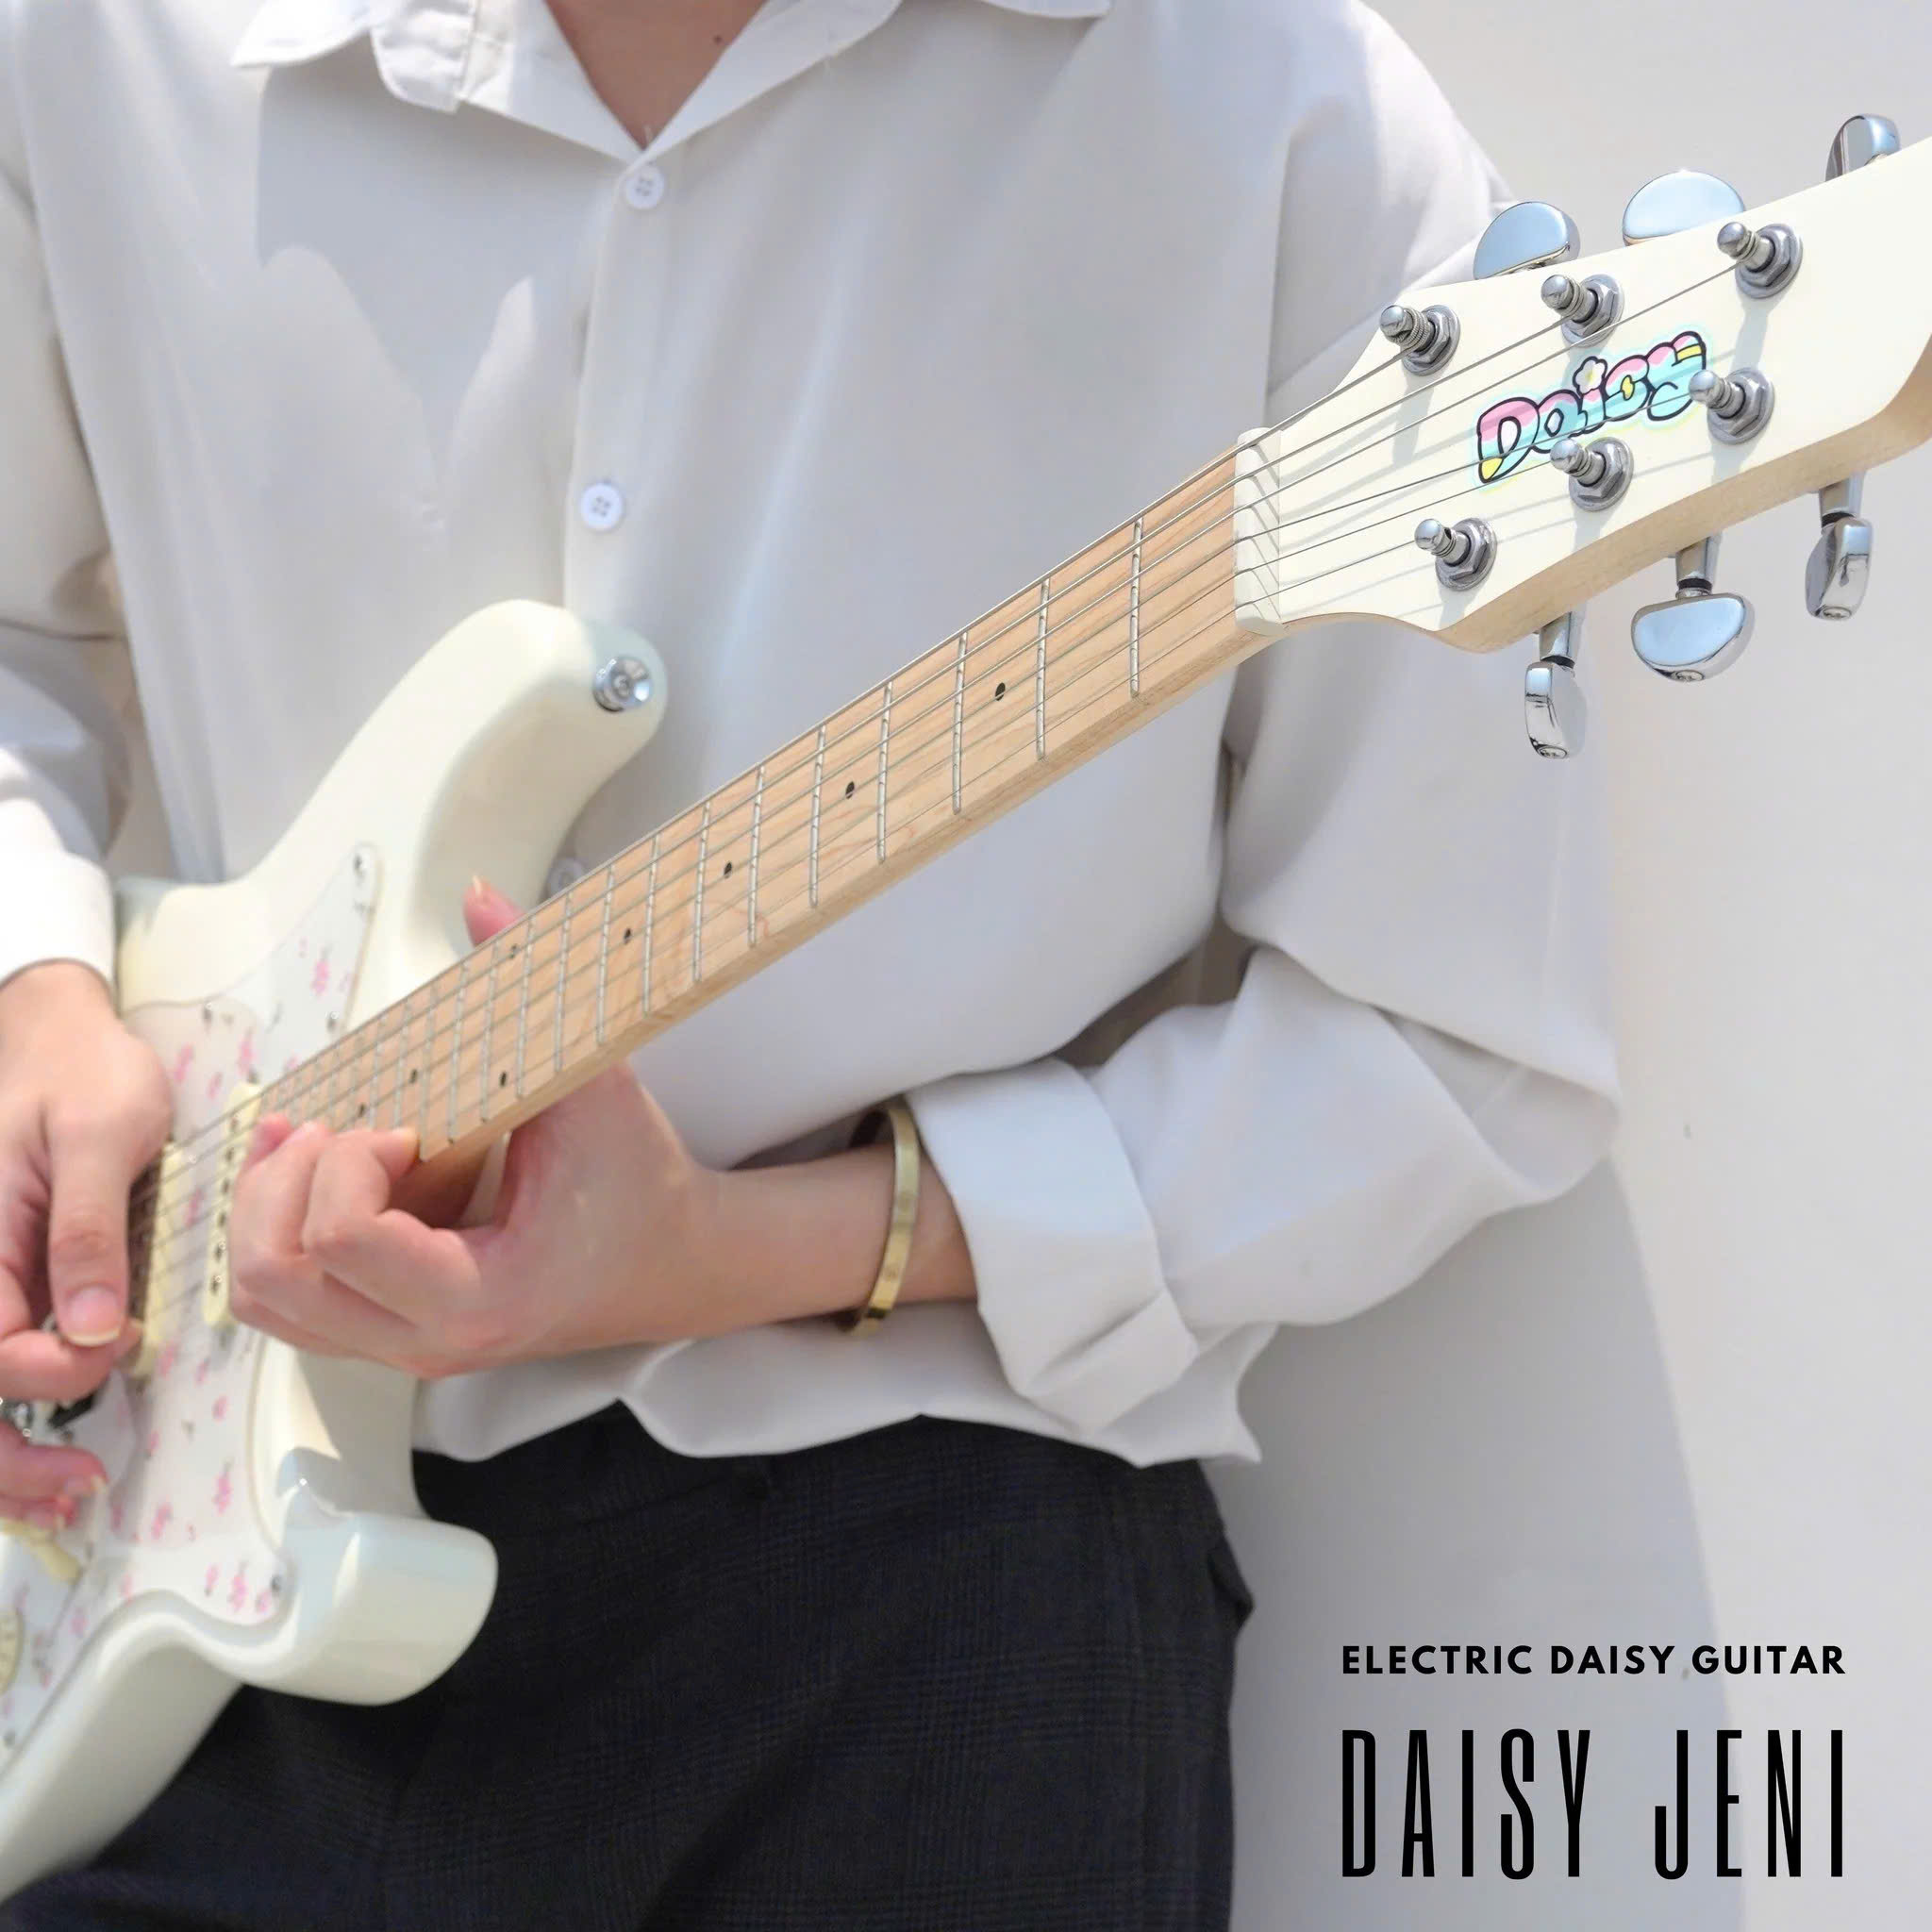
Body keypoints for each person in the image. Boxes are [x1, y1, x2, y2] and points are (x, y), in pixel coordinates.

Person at [0, 0, 1619, 1924]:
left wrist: (752, 1244)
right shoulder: (100, 40)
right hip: (161, 1553)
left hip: (931, 1595)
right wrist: (32, 989)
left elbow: (1449, 1040)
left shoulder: (1272, 114)